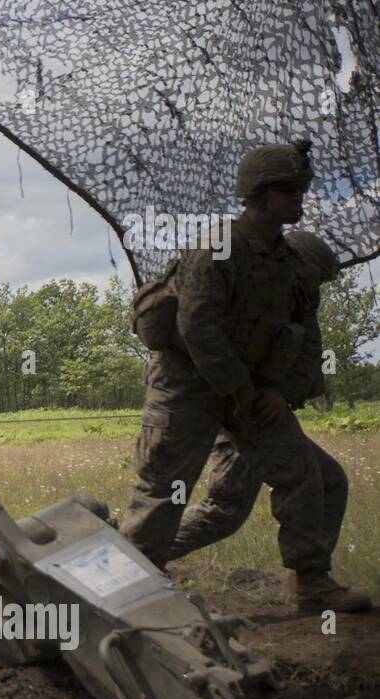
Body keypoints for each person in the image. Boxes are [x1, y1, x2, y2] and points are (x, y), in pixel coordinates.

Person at [119, 140, 369, 613]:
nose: (299, 198)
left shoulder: (292, 265)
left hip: (249, 392)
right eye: (287, 190)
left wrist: (276, 392)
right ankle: (132, 595)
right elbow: (198, 328)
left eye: (300, 189)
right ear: (256, 194)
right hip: (188, 387)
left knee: (305, 474)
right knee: (162, 493)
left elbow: (304, 339)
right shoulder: (217, 246)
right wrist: (243, 391)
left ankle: (311, 582)